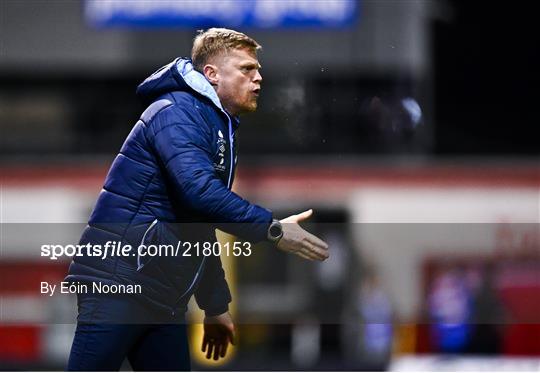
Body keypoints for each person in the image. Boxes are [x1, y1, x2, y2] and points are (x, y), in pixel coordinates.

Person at [65, 28, 329, 371]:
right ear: (212, 74)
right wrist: (273, 229)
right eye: (247, 69)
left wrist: (215, 304)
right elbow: (200, 194)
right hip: (119, 283)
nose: (258, 77)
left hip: (162, 295)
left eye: (258, 69)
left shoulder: (213, 122)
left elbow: (196, 222)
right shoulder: (177, 112)